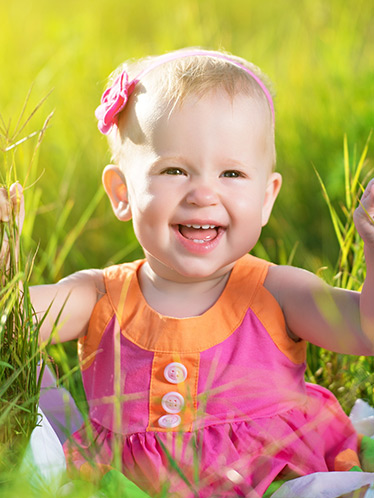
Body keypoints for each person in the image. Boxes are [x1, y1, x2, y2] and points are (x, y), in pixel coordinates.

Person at [2, 48, 374, 497]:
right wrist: (7, 258)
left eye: (232, 173)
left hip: (273, 482)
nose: (203, 193)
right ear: (121, 192)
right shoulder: (98, 295)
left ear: (266, 197)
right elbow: (15, 325)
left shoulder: (278, 292)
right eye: (174, 170)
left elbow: (364, 332)